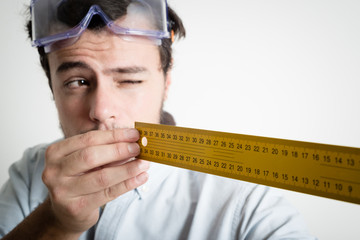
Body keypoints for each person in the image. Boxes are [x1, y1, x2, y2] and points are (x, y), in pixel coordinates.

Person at [0, 0, 316, 239]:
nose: (101, 110)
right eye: (77, 82)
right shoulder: (29, 176)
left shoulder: (249, 208)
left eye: (129, 80)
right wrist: (54, 223)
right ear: (51, 85)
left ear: (166, 80)